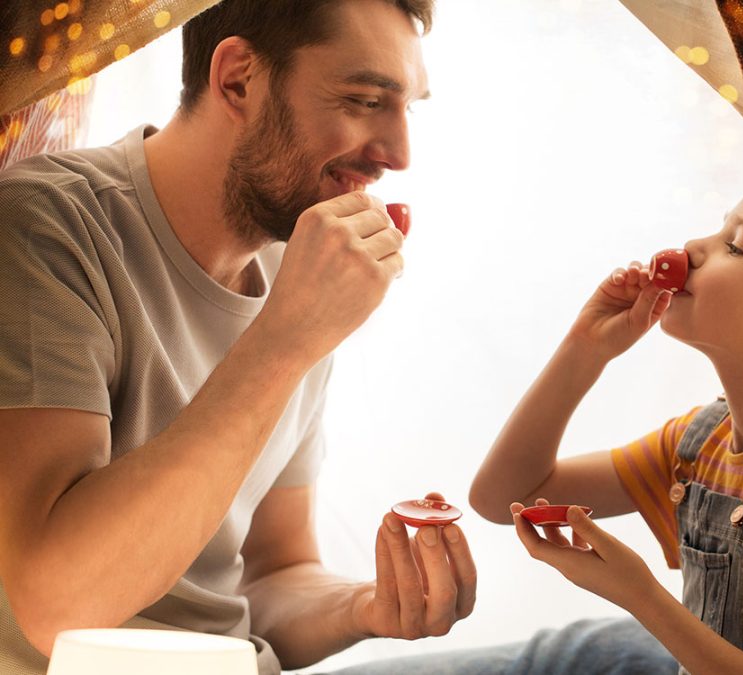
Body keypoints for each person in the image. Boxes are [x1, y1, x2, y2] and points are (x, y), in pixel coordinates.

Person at [0, 2, 477, 674]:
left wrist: (366, 606)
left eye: (407, 108)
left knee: (610, 651)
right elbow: (57, 607)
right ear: (236, 80)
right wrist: (284, 339)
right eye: (366, 99)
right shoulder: (45, 227)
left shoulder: (295, 268)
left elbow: (274, 572)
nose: (399, 153)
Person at [466, 175, 743, 674]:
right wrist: (587, 346)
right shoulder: (700, 443)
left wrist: (642, 596)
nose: (691, 248)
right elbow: (503, 497)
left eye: (734, 246)